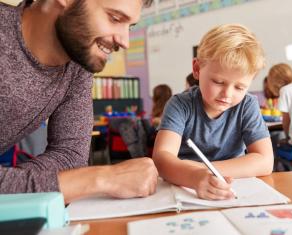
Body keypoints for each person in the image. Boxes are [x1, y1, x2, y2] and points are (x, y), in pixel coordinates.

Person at [0, 0, 158, 203]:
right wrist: (101, 179)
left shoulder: (77, 62)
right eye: (115, 18)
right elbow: (72, 174)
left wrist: (14, 186)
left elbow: (70, 156)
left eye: (130, 26)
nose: (125, 41)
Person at [152, 24, 273, 200]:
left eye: (240, 87)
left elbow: (265, 161)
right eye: (218, 82)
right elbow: (162, 159)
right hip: (186, 190)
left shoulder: (247, 105)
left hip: (233, 189)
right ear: (197, 69)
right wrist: (194, 177)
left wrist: (205, 171)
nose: (227, 94)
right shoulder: (180, 105)